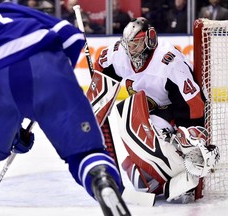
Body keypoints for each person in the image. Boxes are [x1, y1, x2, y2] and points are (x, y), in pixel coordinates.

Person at [0, 2, 131, 216]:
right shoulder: (10, 9)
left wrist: (11, 136)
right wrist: (52, 91)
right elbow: (69, 36)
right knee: (85, 151)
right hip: (45, 62)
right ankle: (101, 179)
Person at [88, 17, 220, 203]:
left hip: (174, 111)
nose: (131, 50)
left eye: (137, 44)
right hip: (149, 111)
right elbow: (102, 66)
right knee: (140, 180)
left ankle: (181, 173)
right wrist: (99, 94)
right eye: (129, 45)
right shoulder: (120, 53)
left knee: (182, 143)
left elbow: (193, 104)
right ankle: (159, 176)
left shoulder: (169, 62)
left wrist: (189, 131)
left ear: (150, 39)